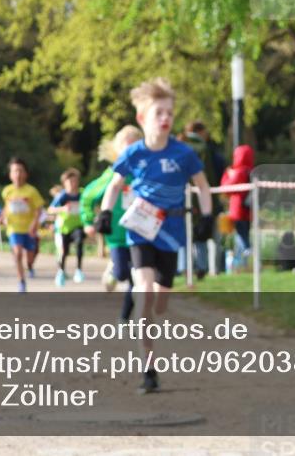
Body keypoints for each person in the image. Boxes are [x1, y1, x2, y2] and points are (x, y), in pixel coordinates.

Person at [98, 78, 213, 394]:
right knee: (144, 293)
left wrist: (207, 216)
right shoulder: (135, 153)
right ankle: (148, 368)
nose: (165, 118)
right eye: (158, 112)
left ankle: (153, 303)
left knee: (160, 302)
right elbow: (114, 185)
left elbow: (202, 186)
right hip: (141, 230)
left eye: (170, 113)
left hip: (171, 233)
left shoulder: (184, 154)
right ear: (142, 118)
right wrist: (105, 213)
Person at [86, 126, 142, 321]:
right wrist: (89, 221)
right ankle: (113, 268)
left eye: (135, 147)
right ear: (118, 150)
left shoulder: (144, 173)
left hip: (139, 232)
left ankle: (125, 317)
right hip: (116, 236)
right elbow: (88, 197)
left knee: (139, 279)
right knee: (122, 274)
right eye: (126, 148)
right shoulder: (112, 175)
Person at [179, 121, 226, 279]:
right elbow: (211, 176)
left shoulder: (179, 145)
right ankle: (202, 267)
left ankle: (184, 267)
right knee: (201, 233)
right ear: (200, 132)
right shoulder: (204, 149)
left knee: (184, 234)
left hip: (179, 197)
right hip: (201, 197)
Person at [1, 157, 46, 293]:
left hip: (29, 229)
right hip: (14, 228)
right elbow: (6, 207)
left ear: (26, 174)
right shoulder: (7, 191)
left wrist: (34, 224)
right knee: (18, 253)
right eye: (15, 171)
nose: (18, 174)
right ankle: (21, 281)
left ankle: (30, 266)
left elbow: (38, 210)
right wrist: (3, 217)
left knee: (30, 256)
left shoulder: (31, 191)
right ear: (10, 174)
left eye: (20, 171)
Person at [220, 144, 254, 270]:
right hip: (249, 210)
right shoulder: (251, 171)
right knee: (244, 235)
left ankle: (243, 263)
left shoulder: (239, 172)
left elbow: (226, 187)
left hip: (238, 210)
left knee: (241, 236)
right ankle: (243, 263)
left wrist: (227, 175)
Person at [50, 168, 86, 286]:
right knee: (64, 251)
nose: (72, 184)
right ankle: (61, 272)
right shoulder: (62, 196)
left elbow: (89, 204)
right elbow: (50, 210)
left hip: (78, 225)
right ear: (64, 183)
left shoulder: (82, 193)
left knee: (80, 241)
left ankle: (79, 270)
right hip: (64, 228)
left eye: (74, 181)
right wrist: (62, 208)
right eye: (69, 182)